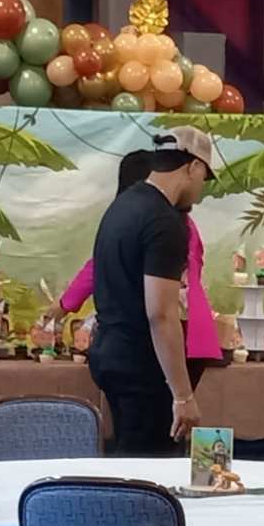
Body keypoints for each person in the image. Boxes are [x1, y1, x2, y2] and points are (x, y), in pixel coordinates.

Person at [86, 125, 217, 455]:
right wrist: (183, 395)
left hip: (109, 352)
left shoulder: (122, 206)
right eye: (204, 178)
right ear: (194, 166)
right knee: (149, 467)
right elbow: (161, 313)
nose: (201, 190)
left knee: (128, 454)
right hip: (140, 363)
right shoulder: (164, 221)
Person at [58, 148, 219, 384]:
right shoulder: (176, 223)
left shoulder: (156, 223)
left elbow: (100, 267)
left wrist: (64, 304)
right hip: (188, 333)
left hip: (159, 339)